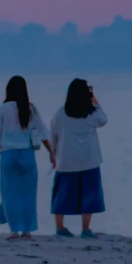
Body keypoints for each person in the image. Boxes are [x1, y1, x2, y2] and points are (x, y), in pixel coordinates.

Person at [48, 77, 109, 238]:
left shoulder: (60, 113)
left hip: (66, 161)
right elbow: (104, 120)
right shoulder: (91, 114)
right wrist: (96, 102)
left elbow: (53, 135)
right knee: (88, 195)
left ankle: (60, 228)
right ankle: (85, 229)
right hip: (89, 160)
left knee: (62, 194)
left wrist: (53, 154)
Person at [0, 75, 49, 238]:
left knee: (9, 193)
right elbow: (43, 133)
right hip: (28, 155)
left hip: (8, 154)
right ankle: (27, 230)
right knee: (28, 193)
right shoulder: (30, 109)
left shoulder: (2, 109)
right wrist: (51, 153)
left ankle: (14, 229)